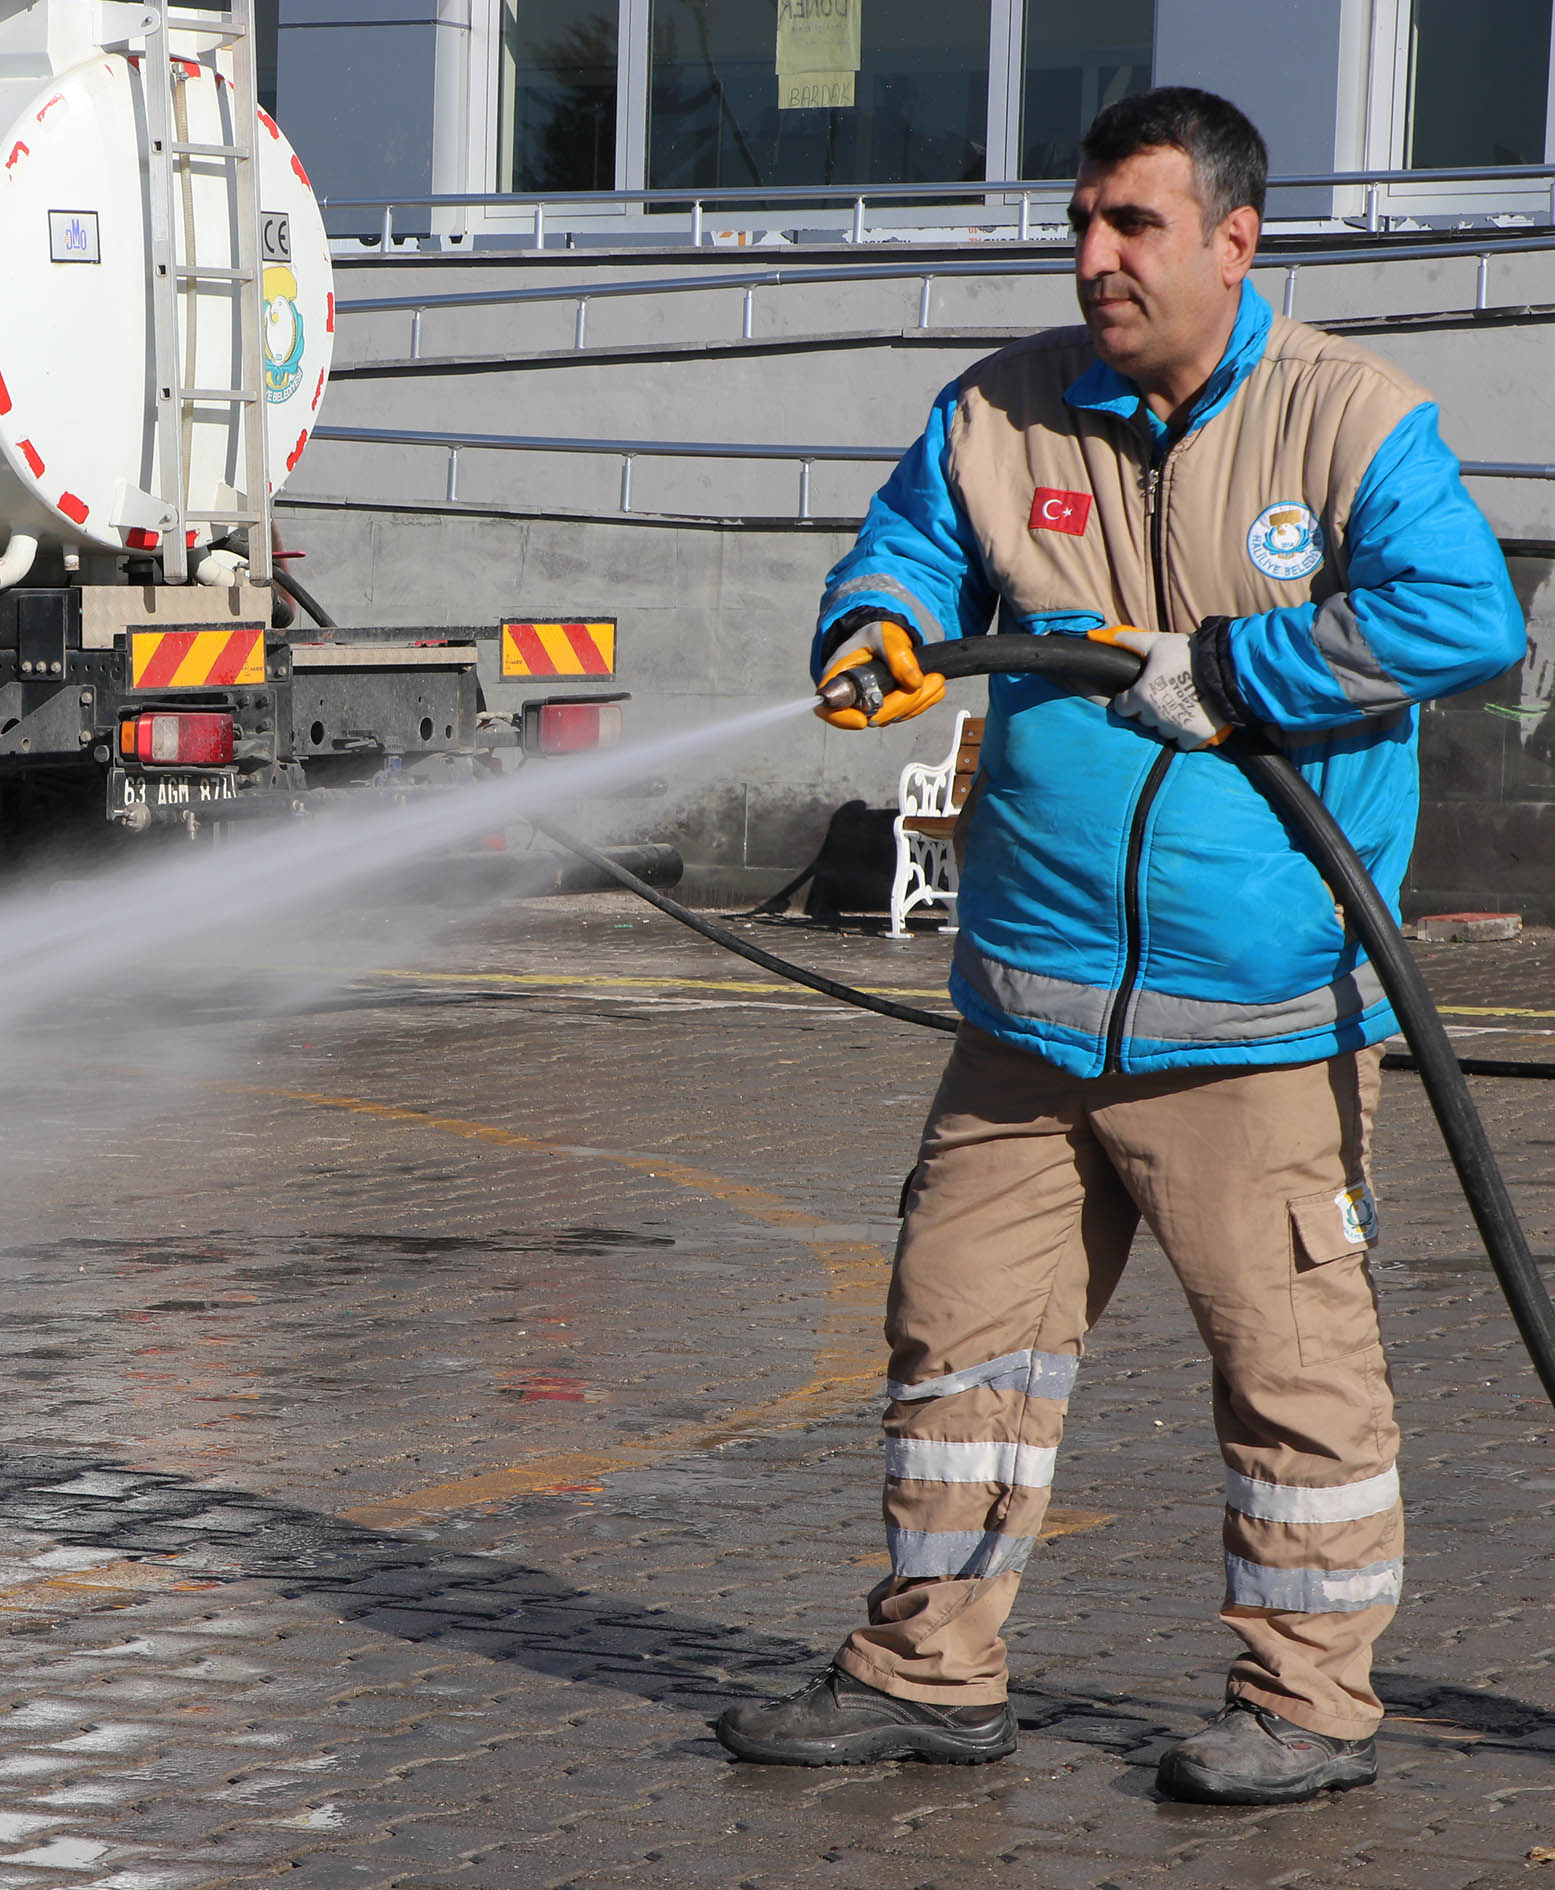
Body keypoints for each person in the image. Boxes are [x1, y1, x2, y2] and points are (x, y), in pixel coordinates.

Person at [710, 88, 1526, 1805]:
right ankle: (931, 1669)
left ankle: (1309, 1703)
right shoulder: (1002, 411)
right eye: (1080, 224)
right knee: (960, 1339)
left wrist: (1233, 667)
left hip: (1256, 1016)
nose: (1092, 260)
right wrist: (874, 625)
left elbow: (1466, 616)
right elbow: (909, 551)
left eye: (1132, 227)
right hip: (1030, 1011)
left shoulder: (1349, 419)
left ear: (1238, 241)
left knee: (1290, 1374)